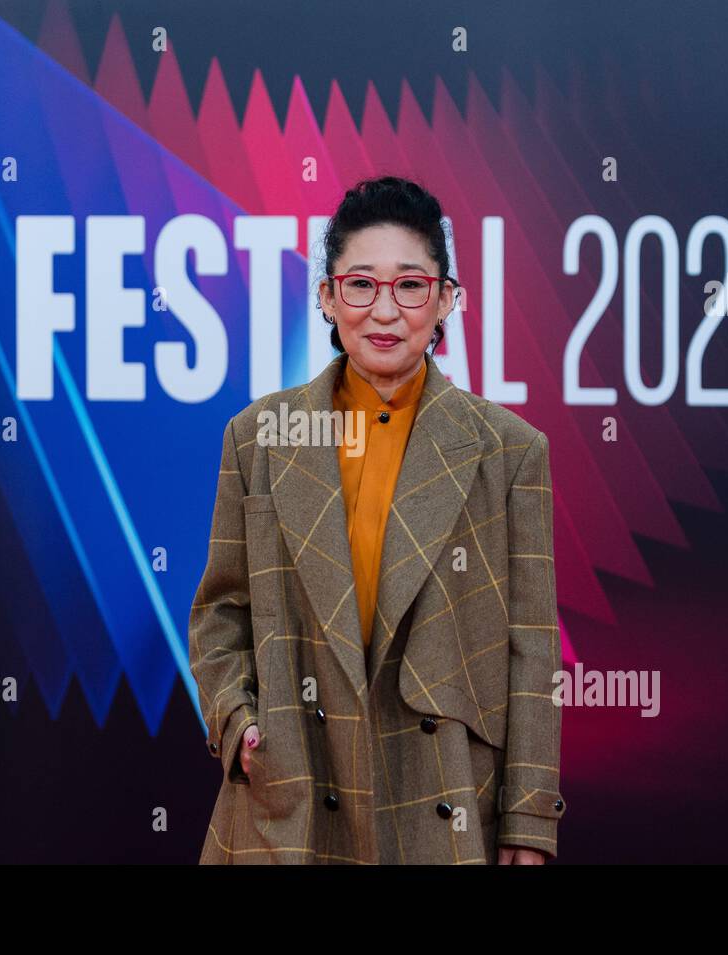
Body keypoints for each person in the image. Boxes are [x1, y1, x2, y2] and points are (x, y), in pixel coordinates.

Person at [189, 176, 564, 864]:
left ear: (446, 297)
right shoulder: (260, 436)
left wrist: (528, 820)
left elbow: (532, 651)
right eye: (360, 284)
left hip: (445, 797)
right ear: (327, 297)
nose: (384, 310)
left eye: (411, 285)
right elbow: (220, 610)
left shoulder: (508, 451)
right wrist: (236, 721)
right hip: (293, 790)